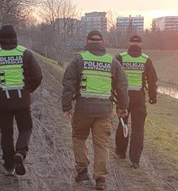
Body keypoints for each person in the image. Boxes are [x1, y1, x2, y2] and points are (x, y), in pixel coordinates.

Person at [62, 30, 129, 190]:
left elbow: (68, 84)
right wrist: (123, 107)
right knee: (102, 145)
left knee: (79, 138)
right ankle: (100, 179)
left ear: (87, 42)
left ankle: (82, 170)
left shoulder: (78, 60)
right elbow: (122, 86)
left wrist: (67, 107)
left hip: (83, 109)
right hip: (104, 111)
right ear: (103, 43)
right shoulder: (113, 62)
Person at [0, 24, 43, 176]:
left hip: (3, 102)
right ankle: (20, 153)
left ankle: (9, 165)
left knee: (6, 133)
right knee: (25, 128)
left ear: (0, 39)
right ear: (15, 37)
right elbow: (37, 76)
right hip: (22, 100)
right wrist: (28, 90)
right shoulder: (25, 54)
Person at [114, 34, 158, 169]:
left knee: (123, 124)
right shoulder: (146, 60)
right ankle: (135, 160)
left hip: (123, 97)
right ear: (141, 45)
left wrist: (113, 94)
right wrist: (152, 97)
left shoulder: (120, 57)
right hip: (138, 97)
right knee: (138, 129)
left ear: (129, 43)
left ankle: (121, 152)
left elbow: (113, 76)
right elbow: (152, 80)